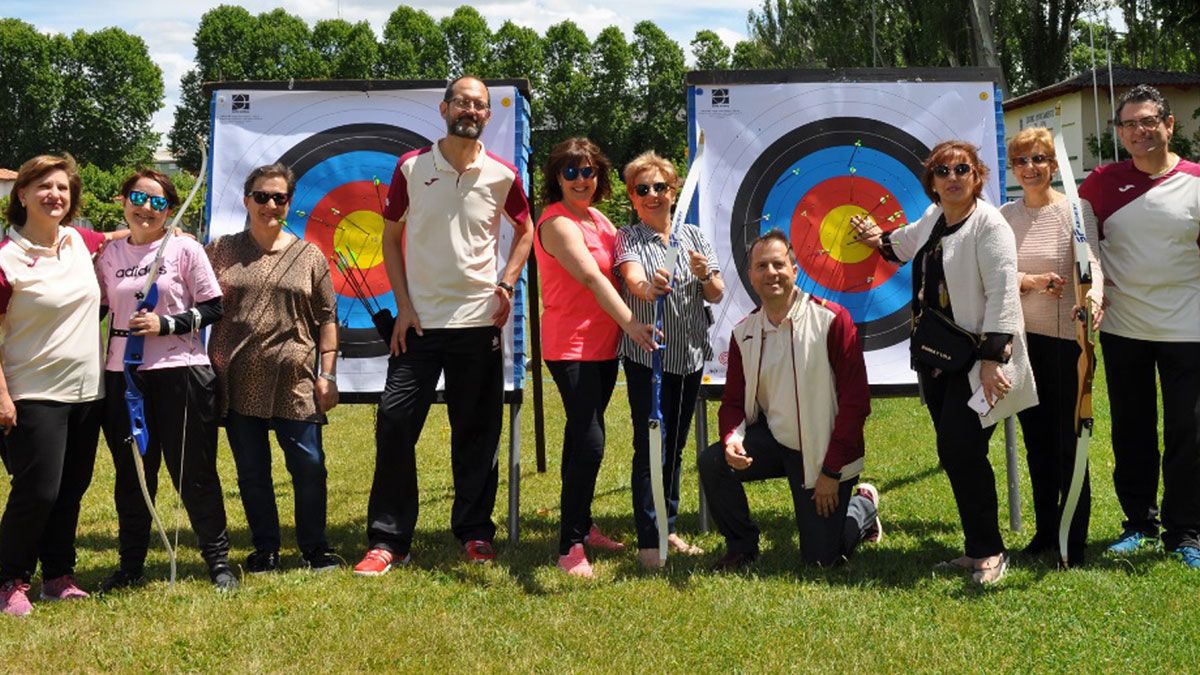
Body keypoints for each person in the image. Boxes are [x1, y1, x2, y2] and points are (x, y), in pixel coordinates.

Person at [354, 75, 534, 575]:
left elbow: (527, 228)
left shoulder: (501, 174)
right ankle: (389, 539)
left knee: (476, 433)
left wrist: (507, 283)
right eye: (462, 103)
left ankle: (474, 531)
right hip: (419, 326)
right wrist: (404, 306)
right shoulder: (410, 167)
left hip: (478, 323)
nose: (470, 111)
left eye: (479, 105)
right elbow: (391, 238)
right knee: (393, 426)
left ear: (487, 116)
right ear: (444, 108)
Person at [852, 140, 1036, 584]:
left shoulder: (989, 226)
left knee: (963, 448)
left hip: (979, 364)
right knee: (955, 451)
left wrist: (994, 360)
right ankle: (976, 549)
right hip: (940, 361)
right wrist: (877, 238)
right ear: (931, 182)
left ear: (977, 177)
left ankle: (989, 551)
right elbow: (902, 244)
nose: (952, 178)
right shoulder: (936, 217)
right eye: (943, 171)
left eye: (962, 169)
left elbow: (1004, 296)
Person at [697, 231, 880, 571]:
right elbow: (734, 401)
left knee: (823, 559)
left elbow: (856, 403)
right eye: (761, 266)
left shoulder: (833, 320)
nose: (771, 273)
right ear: (751, 276)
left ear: (795, 270)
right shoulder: (744, 332)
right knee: (713, 462)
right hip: (776, 442)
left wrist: (830, 471)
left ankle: (862, 507)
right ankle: (742, 547)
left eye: (779, 264)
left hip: (825, 452)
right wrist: (731, 440)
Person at [96, 169, 236, 591]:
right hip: (124, 376)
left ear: (170, 211)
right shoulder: (109, 255)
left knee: (193, 471)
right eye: (138, 198)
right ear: (123, 200)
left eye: (158, 203)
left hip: (181, 372)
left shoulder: (184, 250)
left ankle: (218, 562)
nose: (146, 209)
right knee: (134, 474)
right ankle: (130, 566)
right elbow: (98, 308)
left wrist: (167, 323)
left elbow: (214, 308)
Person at [0, 154, 128, 616]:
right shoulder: (6, 259)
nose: (55, 195)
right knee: (38, 492)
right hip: (32, 393)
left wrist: (165, 235)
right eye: (44, 186)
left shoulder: (77, 241)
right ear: (22, 194)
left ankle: (57, 576)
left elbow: (115, 237)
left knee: (72, 488)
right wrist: (1, 396)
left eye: (63, 188)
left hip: (86, 393)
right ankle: (10, 578)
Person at [1078, 85, 1200, 568]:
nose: (1138, 132)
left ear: (1169, 125)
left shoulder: (1196, 181)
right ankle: (1139, 525)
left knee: (1189, 434)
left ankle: (1187, 532)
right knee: (1132, 432)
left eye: (1148, 121)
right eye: (1127, 124)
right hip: (1125, 329)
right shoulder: (1102, 183)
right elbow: (1073, 237)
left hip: (1189, 330)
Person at [206, 163, 340, 574]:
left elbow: (327, 317)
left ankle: (315, 548)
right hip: (238, 377)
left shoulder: (309, 254)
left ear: (289, 202)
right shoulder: (221, 251)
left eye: (279, 197)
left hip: (294, 378)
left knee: (309, 466)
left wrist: (328, 373)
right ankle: (265, 549)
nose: (269, 205)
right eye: (261, 196)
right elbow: (191, 291)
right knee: (252, 471)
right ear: (246, 200)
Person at [534, 138, 657, 577]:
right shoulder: (555, 222)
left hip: (605, 348)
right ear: (557, 178)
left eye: (588, 172)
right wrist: (632, 322)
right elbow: (589, 274)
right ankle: (570, 545)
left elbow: (624, 266)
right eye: (570, 172)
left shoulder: (600, 219)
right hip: (572, 347)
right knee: (590, 439)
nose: (581, 180)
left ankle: (582, 524)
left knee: (580, 437)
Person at [998, 128, 1105, 567]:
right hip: (1023, 346)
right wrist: (1029, 284)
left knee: (1068, 445)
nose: (1031, 168)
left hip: (1066, 345)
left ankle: (1072, 542)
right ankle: (1045, 533)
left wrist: (1093, 298)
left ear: (1054, 165)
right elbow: (1000, 276)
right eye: (1022, 161)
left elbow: (1092, 264)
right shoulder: (1005, 216)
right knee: (1037, 444)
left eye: (1039, 159)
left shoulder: (1077, 211)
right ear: (1013, 169)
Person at [616, 150, 724, 568]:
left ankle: (669, 527)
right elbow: (632, 279)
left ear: (674, 190)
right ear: (632, 197)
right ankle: (649, 539)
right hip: (650, 360)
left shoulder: (694, 236)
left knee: (675, 446)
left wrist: (703, 274)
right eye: (642, 189)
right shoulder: (629, 238)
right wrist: (649, 287)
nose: (653, 195)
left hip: (690, 356)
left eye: (660, 187)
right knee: (650, 448)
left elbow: (715, 292)